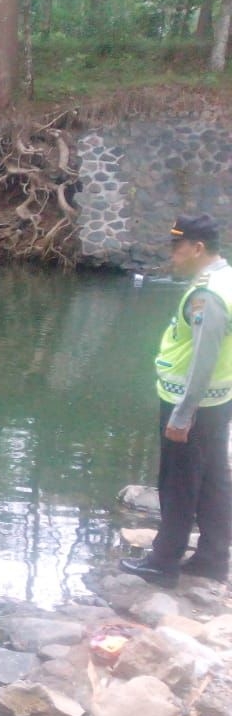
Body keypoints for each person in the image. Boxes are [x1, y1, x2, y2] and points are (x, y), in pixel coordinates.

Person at [122, 214, 232, 588]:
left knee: (177, 482)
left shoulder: (208, 296)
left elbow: (203, 358)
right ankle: (213, 559)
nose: (173, 254)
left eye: (177, 245)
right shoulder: (225, 279)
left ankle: (164, 561)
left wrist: (183, 414)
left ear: (198, 248)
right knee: (214, 480)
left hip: (191, 404)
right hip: (218, 402)